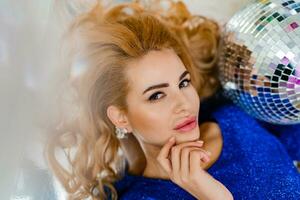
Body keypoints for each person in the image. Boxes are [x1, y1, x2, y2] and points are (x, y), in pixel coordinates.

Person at [45, 1, 300, 200]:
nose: (184, 104)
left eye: (183, 83)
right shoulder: (140, 196)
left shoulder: (233, 115)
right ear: (121, 116)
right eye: (157, 95)